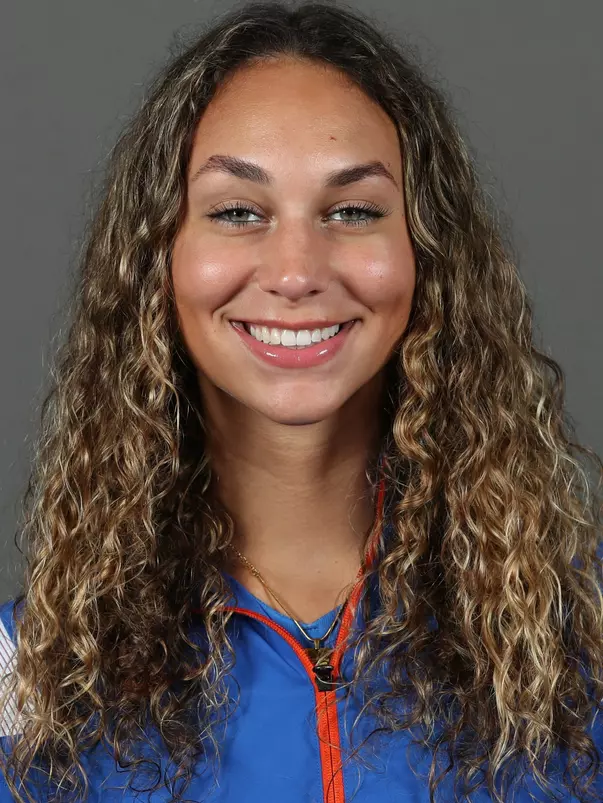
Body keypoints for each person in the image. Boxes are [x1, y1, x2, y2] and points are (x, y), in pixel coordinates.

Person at [1, 1, 602, 801]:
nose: (294, 270)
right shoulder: (29, 674)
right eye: (237, 212)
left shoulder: (583, 641)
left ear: (426, 255)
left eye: (352, 210)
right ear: (157, 262)